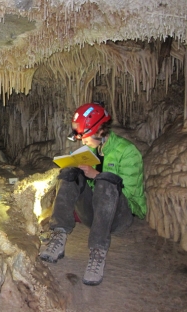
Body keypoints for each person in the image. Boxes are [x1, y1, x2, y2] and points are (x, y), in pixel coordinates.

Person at [39, 102, 147, 286]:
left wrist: (96, 176)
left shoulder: (128, 152)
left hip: (119, 217)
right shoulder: (88, 150)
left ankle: (97, 252)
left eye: (85, 136)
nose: (82, 141)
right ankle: (59, 234)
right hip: (94, 214)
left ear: (100, 130)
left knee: (107, 181)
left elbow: (128, 195)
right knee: (70, 173)